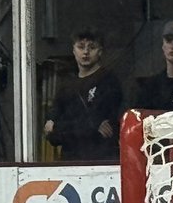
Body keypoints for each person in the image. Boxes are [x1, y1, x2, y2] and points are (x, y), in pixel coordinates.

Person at [43, 27, 122, 161]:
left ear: (100, 51)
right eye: (81, 47)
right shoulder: (66, 85)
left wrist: (59, 127)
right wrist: (90, 126)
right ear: (73, 50)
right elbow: (52, 133)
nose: (86, 52)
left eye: (91, 47)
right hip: (70, 160)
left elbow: (104, 122)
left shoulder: (109, 81)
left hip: (100, 159)